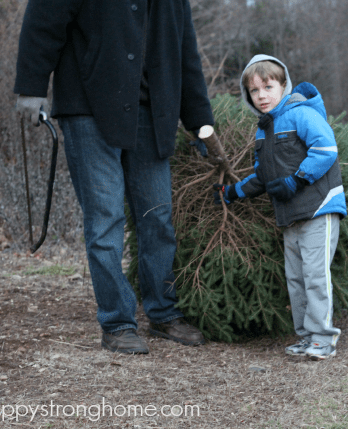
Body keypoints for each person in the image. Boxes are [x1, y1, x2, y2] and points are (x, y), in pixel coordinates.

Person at [14, 0, 214, 354]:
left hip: (153, 114)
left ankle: (164, 313)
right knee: (106, 218)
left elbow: (185, 53)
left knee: (158, 219)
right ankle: (118, 323)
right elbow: (44, 18)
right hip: (88, 106)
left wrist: (200, 122)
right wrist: (31, 87)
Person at [212, 55, 346, 360]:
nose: (262, 96)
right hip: (290, 214)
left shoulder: (302, 114)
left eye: (268, 87)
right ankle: (307, 337)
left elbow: (326, 150)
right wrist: (233, 192)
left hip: (318, 207)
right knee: (296, 278)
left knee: (315, 275)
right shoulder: (264, 128)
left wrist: (297, 180)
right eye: (254, 91)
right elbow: (264, 175)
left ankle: (324, 339)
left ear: (283, 85)